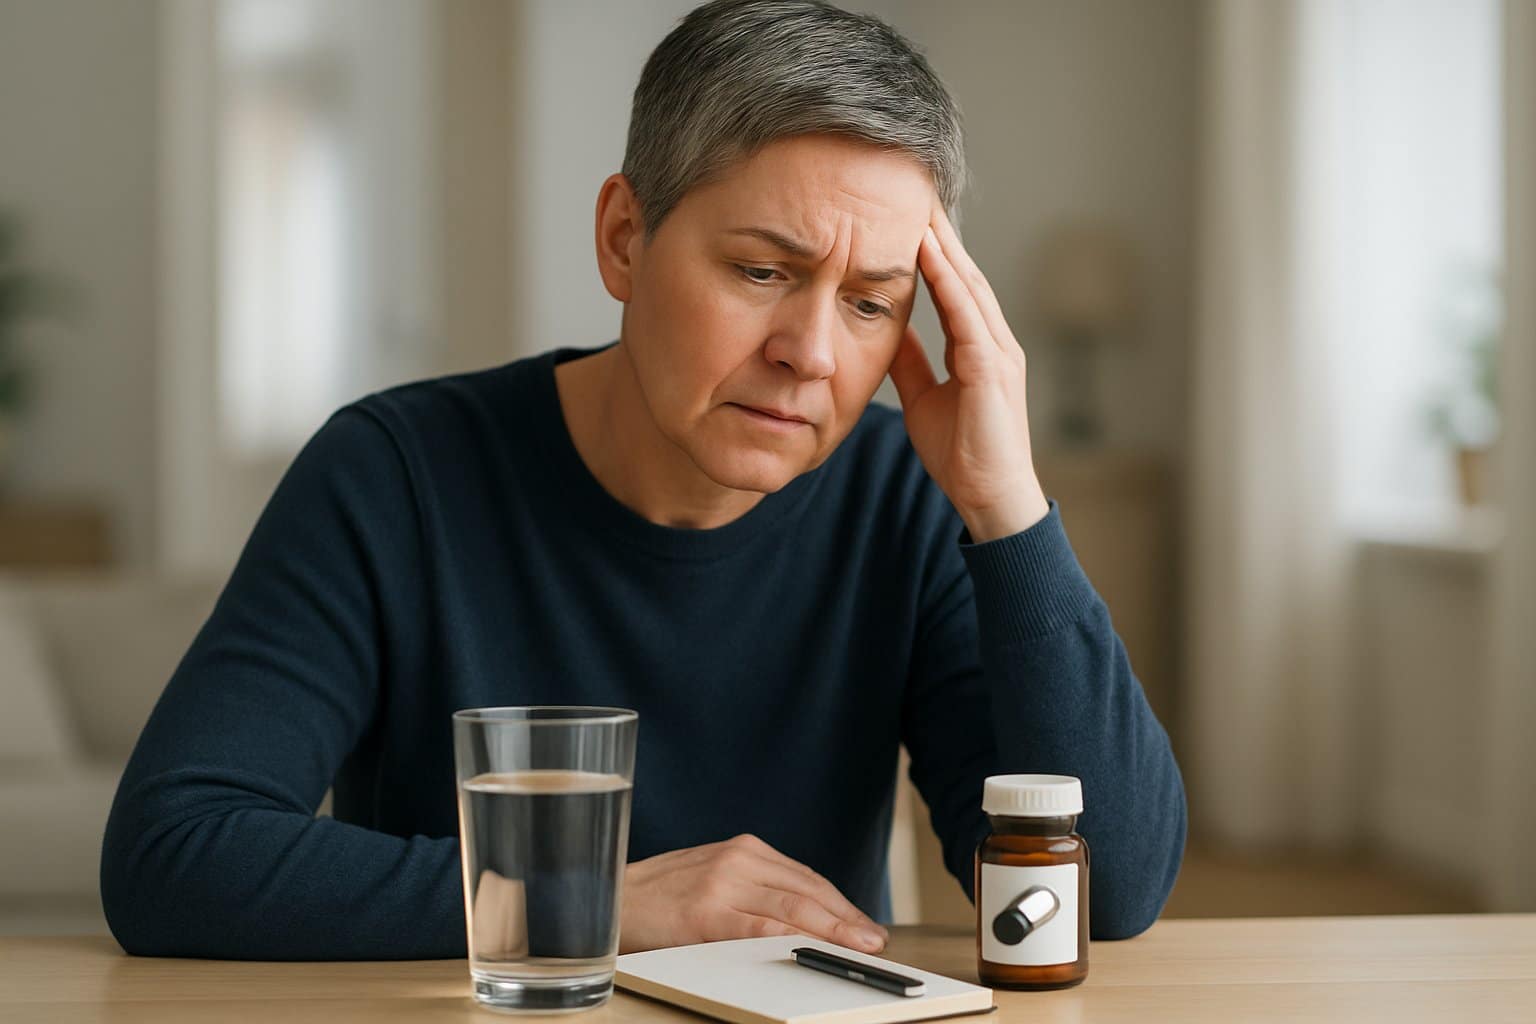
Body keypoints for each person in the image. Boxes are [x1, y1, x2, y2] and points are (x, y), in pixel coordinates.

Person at [101, 0, 1186, 960]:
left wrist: (1010, 510)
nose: (810, 351)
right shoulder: (394, 475)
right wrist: (590, 903)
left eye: (869, 303)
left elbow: (1109, 893)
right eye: (763, 271)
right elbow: (174, 851)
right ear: (625, 238)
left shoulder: (906, 501)